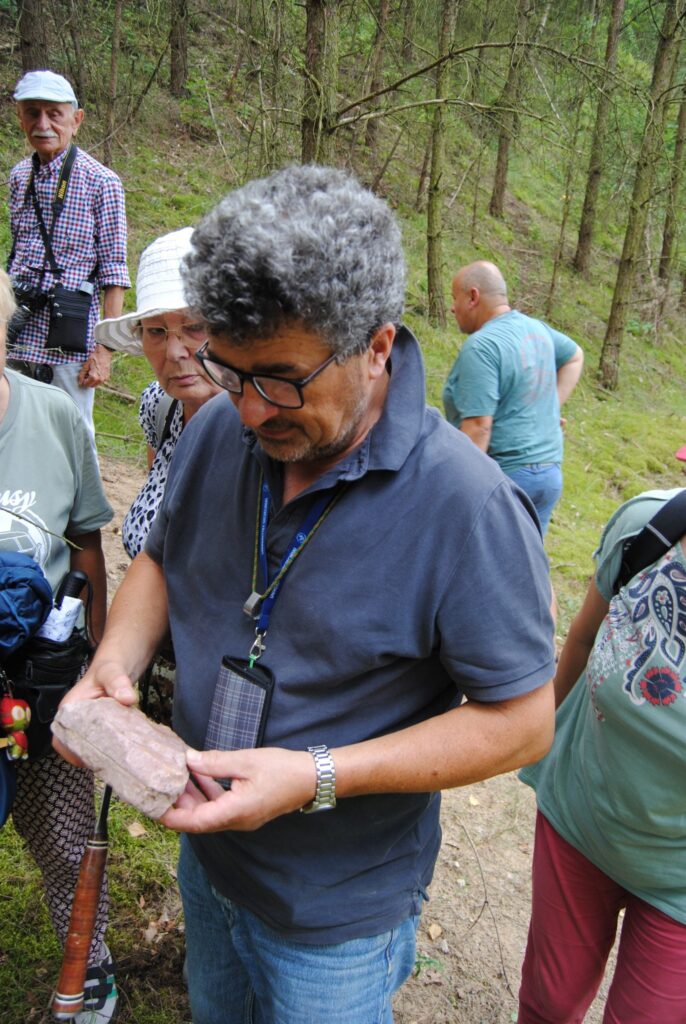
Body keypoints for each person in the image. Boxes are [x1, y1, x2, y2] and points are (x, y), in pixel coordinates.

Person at [57, 165, 556, 1024]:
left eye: (282, 378)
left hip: (335, 914)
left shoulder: (466, 506)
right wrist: (116, 659)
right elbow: (164, 560)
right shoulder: (220, 424)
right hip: (209, 862)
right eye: (232, 370)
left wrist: (316, 776)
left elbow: (522, 719)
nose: (250, 411)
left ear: (375, 345)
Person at [518, 489, 686, 1023]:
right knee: (548, 1003)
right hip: (580, 819)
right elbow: (584, 638)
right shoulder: (651, 527)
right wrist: (539, 742)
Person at [0, 268, 117, 1023]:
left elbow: (86, 550)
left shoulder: (53, 417)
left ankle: (91, 969)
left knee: (70, 843)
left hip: (38, 682)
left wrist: (101, 670)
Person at [7, 69, 130, 454]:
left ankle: (82, 515)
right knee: (13, 431)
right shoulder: (18, 177)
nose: (42, 124)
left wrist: (105, 351)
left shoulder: (101, 182)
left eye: (54, 114)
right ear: (20, 119)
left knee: (73, 438)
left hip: (70, 339)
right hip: (18, 333)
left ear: (76, 120)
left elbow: (114, 273)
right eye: (32, 113)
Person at [95, 226, 221, 560]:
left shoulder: (269, 428)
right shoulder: (161, 405)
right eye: (156, 331)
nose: (174, 351)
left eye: (194, 326)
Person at [442, 261, 583, 534]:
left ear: (473, 296)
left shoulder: (482, 346)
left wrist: (457, 491)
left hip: (507, 478)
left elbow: (479, 427)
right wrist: (550, 412)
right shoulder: (536, 329)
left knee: (488, 566)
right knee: (525, 566)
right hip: (548, 473)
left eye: (454, 298)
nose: (452, 307)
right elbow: (575, 355)